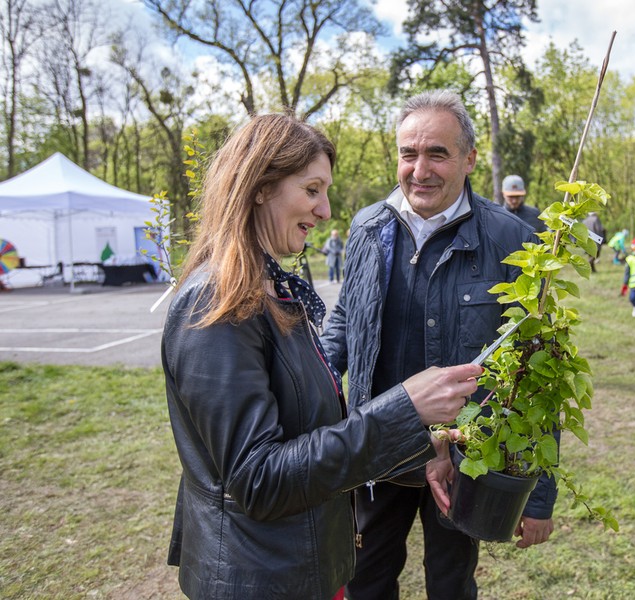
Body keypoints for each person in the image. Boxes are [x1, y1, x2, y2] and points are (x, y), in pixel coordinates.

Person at [160, 113, 482, 600]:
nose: (326, 210)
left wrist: (428, 441)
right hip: (261, 576)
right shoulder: (220, 305)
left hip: (297, 565)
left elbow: (305, 423)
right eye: (312, 190)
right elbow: (258, 480)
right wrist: (404, 408)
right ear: (262, 186)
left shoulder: (270, 288)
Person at [320, 90, 557, 600]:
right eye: (409, 153)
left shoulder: (511, 241)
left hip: (464, 459)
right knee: (365, 579)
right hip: (376, 450)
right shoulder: (368, 228)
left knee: (451, 584)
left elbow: (540, 373)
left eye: (437, 154)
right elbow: (345, 320)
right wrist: (307, 389)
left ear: (470, 159)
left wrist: (538, 495)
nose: (419, 169)